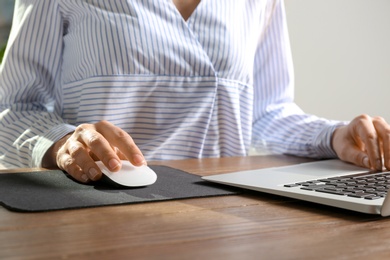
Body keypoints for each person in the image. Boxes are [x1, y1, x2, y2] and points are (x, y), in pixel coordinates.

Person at [1, 0, 389, 184]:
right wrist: (61, 141)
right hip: (97, 209)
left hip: (224, 215)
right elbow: (14, 108)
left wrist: (333, 136)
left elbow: (266, 112)